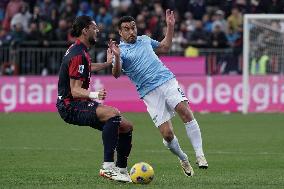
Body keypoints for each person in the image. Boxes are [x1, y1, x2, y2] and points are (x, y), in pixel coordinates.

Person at [110, 10, 208, 177]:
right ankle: (183, 158)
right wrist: (117, 57)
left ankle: (200, 155)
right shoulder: (120, 51)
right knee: (168, 135)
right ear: (120, 32)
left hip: (167, 81)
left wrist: (170, 26)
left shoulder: (145, 40)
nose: (132, 31)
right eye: (126, 29)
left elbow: (165, 47)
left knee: (185, 111)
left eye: (133, 27)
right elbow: (116, 73)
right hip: (149, 93)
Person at [56, 15, 133, 183]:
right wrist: (94, 94)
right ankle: (107, 167)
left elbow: (87, 68)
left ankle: (121, 170)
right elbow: (75, 90)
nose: (97, 30)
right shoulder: (78, 54)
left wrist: (107, 63)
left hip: (77, 103)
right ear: (85, 30)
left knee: (126, 127)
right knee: (113, 114)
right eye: (94, 28)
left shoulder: (79, 50)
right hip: (70, 106)